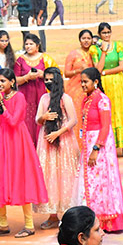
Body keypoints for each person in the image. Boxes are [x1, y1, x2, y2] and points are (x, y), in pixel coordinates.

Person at [0, 68, 48, 238]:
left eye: (3, 81)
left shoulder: (19, 97)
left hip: (18, 142)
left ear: (12, 82)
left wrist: (2, 104)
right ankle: (3, 224)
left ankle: (29, 225)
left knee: (21, 180)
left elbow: (13, 121)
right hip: (4, 142)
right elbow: (1, 124)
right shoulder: (1, 99)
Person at [78, 68, 123, 231]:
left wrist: (95, 148)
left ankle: (105, 219)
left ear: (96, 82)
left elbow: (105, 127)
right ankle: (92, 217)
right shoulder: (87, 100)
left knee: (101, 181)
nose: (83, 85)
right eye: (82, 82)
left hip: (100, 146)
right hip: (88, 143)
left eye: (85, 82)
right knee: (91, 182)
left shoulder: (102, 100)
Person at [33, 67, 80, 229]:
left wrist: (58, 133)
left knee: (65, 176)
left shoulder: (65, 98)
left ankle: (68, 215)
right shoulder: (44, 99)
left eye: (51, 79)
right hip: (46, 143)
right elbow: (37, 120)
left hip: (64, 142)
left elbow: (73, 120)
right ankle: (53, 215)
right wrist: (43, 117)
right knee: (50, 176)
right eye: (45, 79)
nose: (48, 83)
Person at [90, 23, 123, 156]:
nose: (106, 35)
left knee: (121, 113)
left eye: (108, 32)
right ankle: (106, 147)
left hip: (118, 84)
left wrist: (106, 73)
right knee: (106, 114)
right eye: (104, 33)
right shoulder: (95, 50)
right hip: (104, 86)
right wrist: (104, 55)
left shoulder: (118, 46)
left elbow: (122, 66)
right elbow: (98, 69)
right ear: (99, 34)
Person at [15, 35, 57, 144]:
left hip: (42, 95)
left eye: (31, 44)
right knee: (27, 120)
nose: (28, 46)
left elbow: (57, 75)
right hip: (25, 96)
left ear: (37, 45)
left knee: (42, 118)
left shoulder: (45, 59)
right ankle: (28, 147)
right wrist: (27, 77)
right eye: (26, 44)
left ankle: (42, 147)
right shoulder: (20, 60)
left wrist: (43, 74)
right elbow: (14, 80)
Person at [63, 30, 94, 117]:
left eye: (89, 38)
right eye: (83, 38)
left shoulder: (94, 53)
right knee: (77, 114)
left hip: (92, 89)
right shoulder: (73, 54)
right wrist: (78, 70)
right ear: (79, 40)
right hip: (76, 89)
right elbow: (66, 73)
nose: (86, 41)